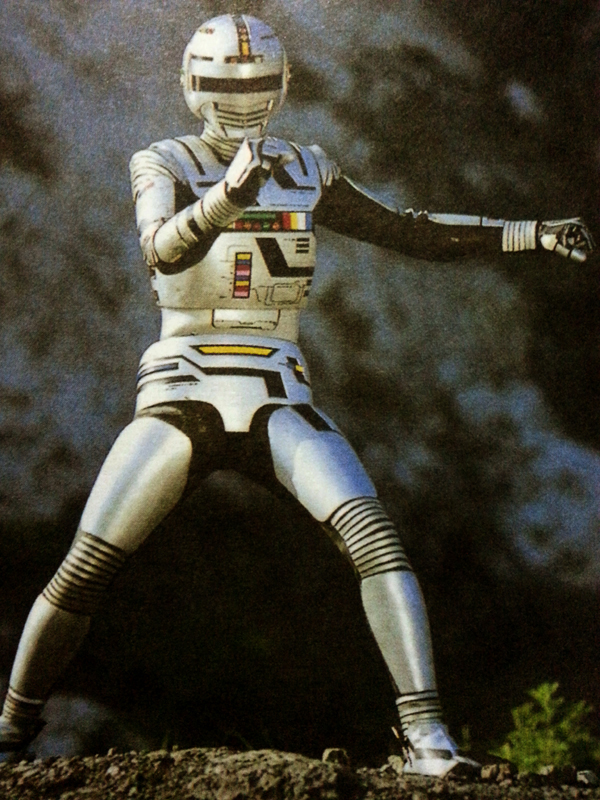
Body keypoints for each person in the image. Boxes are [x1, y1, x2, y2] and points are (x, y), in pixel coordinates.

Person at [0, 14, 593, 775]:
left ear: (281, 86)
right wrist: (226, 198)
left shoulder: (307, 167)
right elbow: (160, 252)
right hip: (186, 381)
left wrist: (527, 233)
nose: (241, 99)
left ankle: (428, 737)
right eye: (224, 84)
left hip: (276, 385)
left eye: (255, 83)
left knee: (376, 542)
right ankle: (10, 731)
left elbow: (407, 230)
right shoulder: (163, 160)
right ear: (192, 88)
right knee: (87, 565)